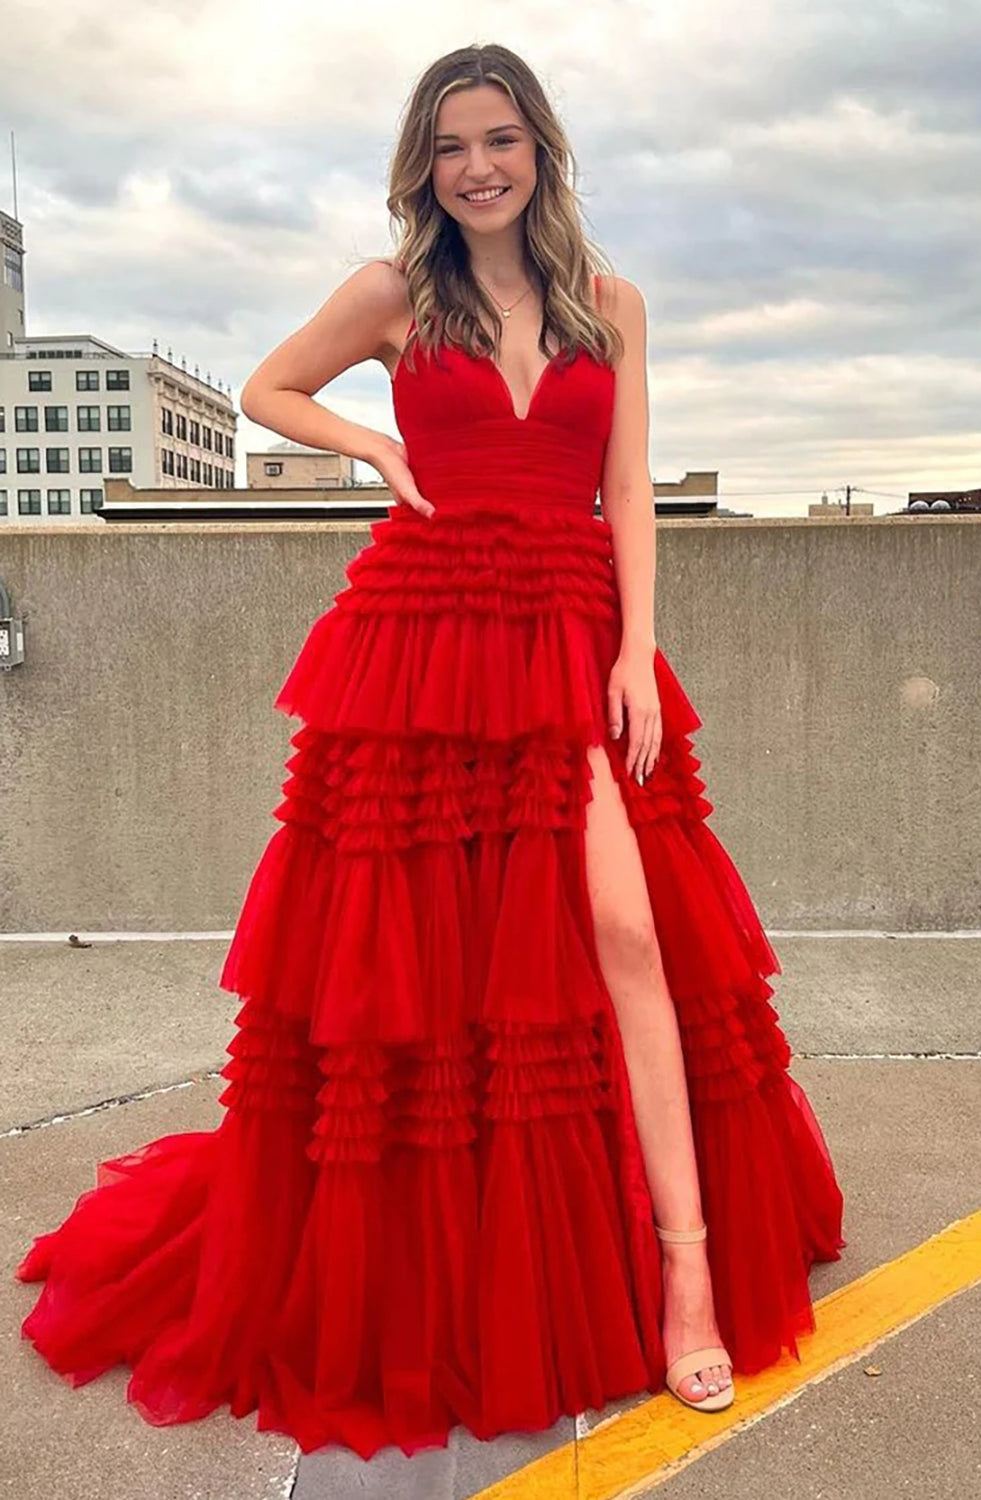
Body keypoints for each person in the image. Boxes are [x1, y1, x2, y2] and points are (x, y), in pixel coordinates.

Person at [15, 43, 845, 1458]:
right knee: (444, 958)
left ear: (540, 151)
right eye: (453, 143)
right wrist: (371, 450)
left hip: (572, 639)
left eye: (502, 138)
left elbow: (627, 486)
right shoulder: (397, 294)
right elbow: (271, 388)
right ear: (424, 162)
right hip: (429, 636)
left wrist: (637, 650)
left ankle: (685, 1265)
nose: (479, 165)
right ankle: (467, 1241)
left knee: (630, 942)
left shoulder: (611, 304)